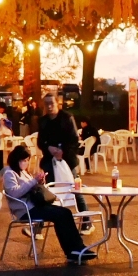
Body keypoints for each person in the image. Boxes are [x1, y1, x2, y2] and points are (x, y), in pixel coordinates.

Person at [2, 144, 92, 264]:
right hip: (25, 210)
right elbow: (14, 193)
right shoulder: (9, 173)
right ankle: (73, 250)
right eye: (23, 160)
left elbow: (32, 189)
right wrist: (34, 181)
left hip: (35, 206)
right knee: (60, 214)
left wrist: (40, 182)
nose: (26, 163)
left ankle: (77, 248)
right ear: (16, 159)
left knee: (65, 212)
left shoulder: (23, 172)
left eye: (27, 160)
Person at [36, 93, 92, 231]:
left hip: (67, 160)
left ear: (57, 103)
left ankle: (86, 221)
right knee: (46, 191)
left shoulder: (67, 118)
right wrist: (48, 147)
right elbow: (40, 141)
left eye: (52, 103)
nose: (49, 106)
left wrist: (63, 151)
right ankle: (39, 227)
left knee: (75, 189)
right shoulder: (43, 121)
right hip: (49, 160)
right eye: (47, 103)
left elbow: (74, 140)